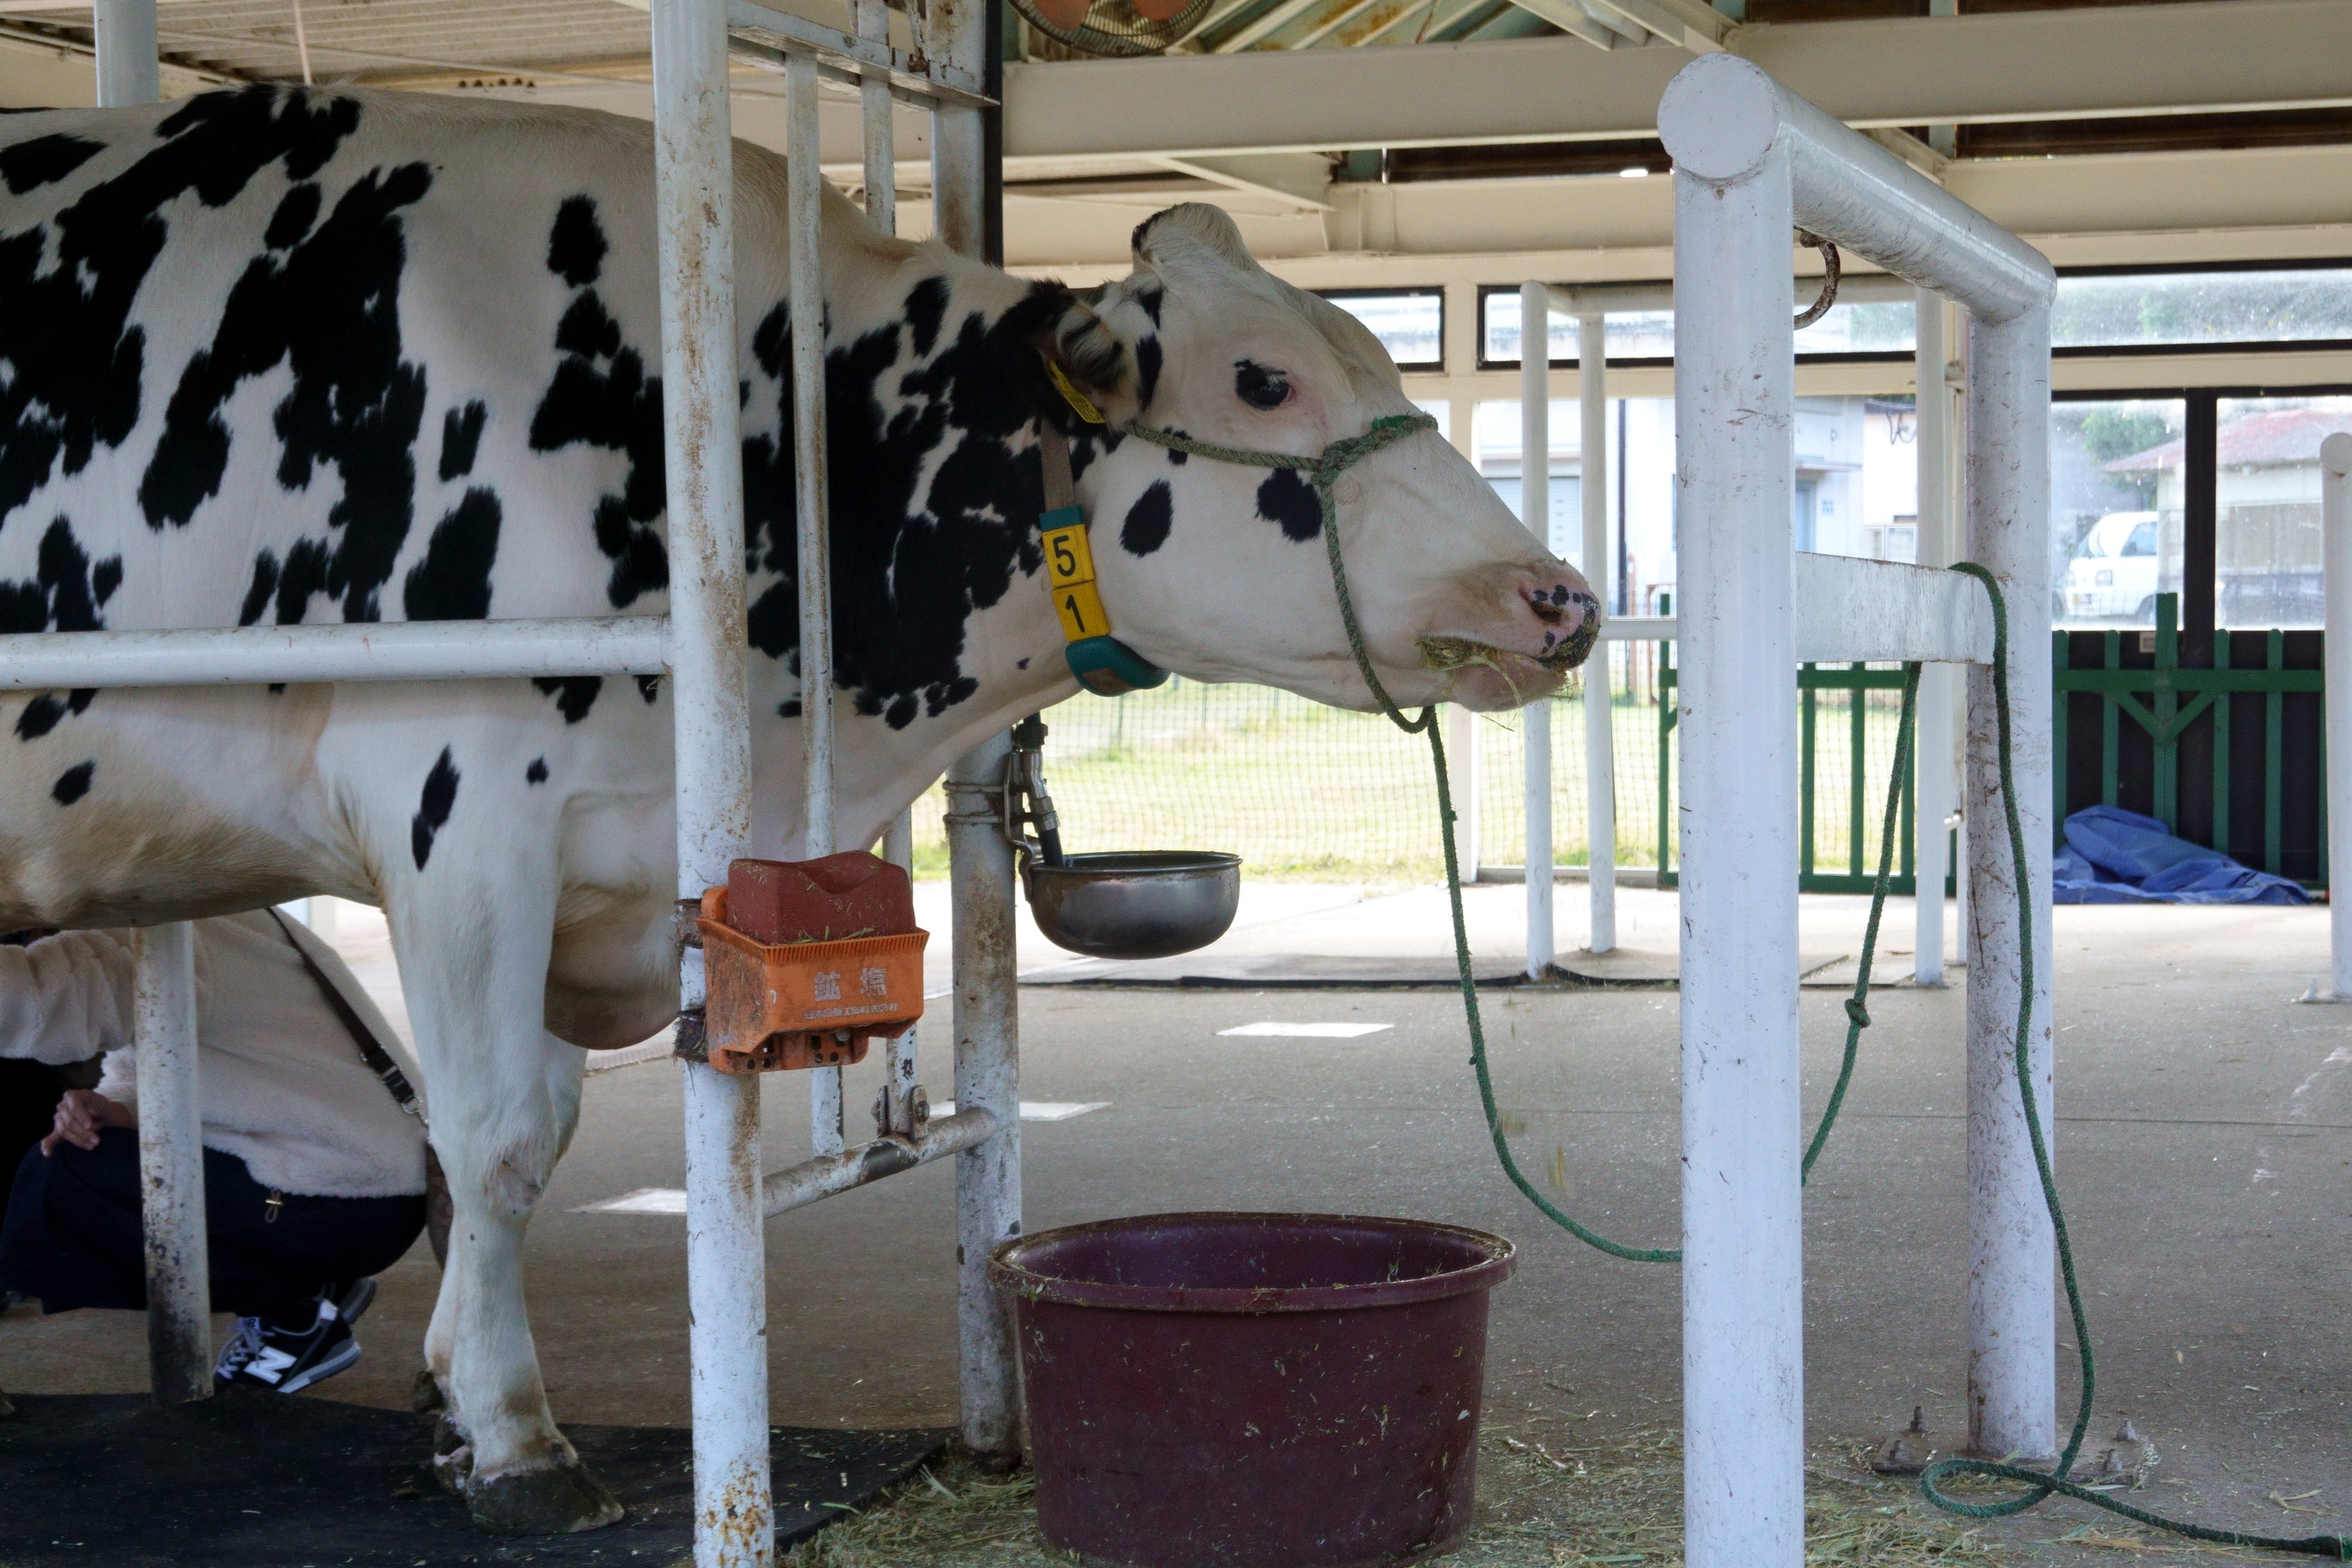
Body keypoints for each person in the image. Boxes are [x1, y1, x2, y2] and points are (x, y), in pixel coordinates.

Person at [0, 909, 429, 1393]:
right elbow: (175, 1053)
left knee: (60, 1179)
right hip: (376, 1182)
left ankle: (298, 1320)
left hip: (345, 1201)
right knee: (97, 1151)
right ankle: (312, 1281)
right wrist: (110, 1107)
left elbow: (43, 1005)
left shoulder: (159, 923)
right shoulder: (224, 904)